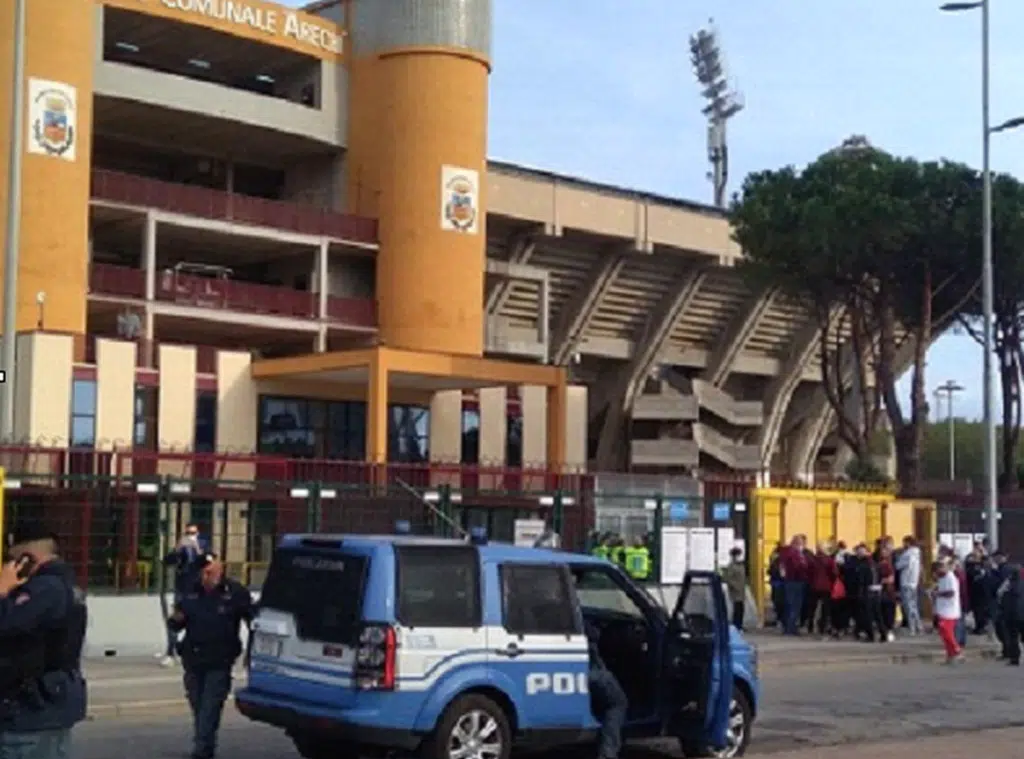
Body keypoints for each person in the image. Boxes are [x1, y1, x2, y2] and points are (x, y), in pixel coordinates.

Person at [0, 528, 87, 759]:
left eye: (11, 560)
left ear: (27, 559)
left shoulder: (46, 589)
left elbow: (7, 624)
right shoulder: (61, 585)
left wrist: (1, 591)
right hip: (41, 701)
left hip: (33, 705)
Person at [169, 554, 253, 759]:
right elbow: (176, 623)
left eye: (214, 570)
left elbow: (253, 620)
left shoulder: (234, 592)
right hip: (194, 659)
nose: (212, 574)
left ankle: (202, 750)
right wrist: (175, 619)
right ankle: (205, 743)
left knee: (210, 707)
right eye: (206, 571)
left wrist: (252, 652)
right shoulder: (190, 592)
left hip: (220, 660)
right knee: (198, 706)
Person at [161, 523, 209, 668]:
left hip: (197, 589)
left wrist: (197, 549)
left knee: (197, 621)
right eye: (188, 533)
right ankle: (171, 652)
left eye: (193, 533)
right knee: (176, 620)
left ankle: (195, 650)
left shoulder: (203, 546)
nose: (190, 536)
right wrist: (177, 549)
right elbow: (167, 561)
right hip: (182, 588)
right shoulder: (181, 549)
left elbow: (208, 561)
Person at [584, 620, 627, 759]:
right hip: (590, 671)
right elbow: (594, 634)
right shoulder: (568, 611)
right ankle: (608, 754)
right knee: (618, 703)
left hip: (574, 672)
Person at [931, 558, 963, 665]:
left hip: (950, 610)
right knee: (943, 634)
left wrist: (938, 594)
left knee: (947, 631)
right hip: (942, 609)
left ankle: (956, 650)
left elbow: (951, 593)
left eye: (937, 571)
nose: (936, 574)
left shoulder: (950, 577)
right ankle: (950, 655)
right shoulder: (942, 578)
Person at [779, 536, 808, 636]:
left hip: (788, 581)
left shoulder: (785, 553)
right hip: (796, 581)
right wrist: (804, 565)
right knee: (795, 606)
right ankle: (791, 629)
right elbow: (799, 567)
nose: (802, 545)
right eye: (801, 543)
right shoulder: (795, 554)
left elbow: (782, 567)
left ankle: (787, 627)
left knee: (789, 605)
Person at [807, 542, 837, 637]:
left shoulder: (812, 560)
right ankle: (822, 627)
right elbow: (834, 573)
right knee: (825, 608)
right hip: (826, 586)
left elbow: (809, 572)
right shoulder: (829, 560)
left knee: (812, 607)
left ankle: (810, 626)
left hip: (814, 586)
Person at [895, 536, 922, 636]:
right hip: (913, 582)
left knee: (908, 606)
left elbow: (898, 566)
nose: (903, 545)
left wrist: (898, 559)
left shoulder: (907, 554)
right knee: (914, 605)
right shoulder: (917, 554)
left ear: (908, 543)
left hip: (906, 582)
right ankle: (918, 626)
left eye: (904, 542)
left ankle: (912, 628)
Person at [997, 563, 1024, 665]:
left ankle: (1014, 658)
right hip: (1020, 614)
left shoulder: (1007, 585)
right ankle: (1014, 657)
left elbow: (1000, 597)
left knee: (1013, 637)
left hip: (1011, 615)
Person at [720, 547, 746, 630]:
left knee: (741, 609)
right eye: (738, 555)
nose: (740, 557)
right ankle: (736, 625)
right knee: (737, 609)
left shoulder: (741, 565)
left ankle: (740, 625)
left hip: (741, 590)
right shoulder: (732, 566)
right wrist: (735, 586)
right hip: (735, 591)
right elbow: (727, 578)